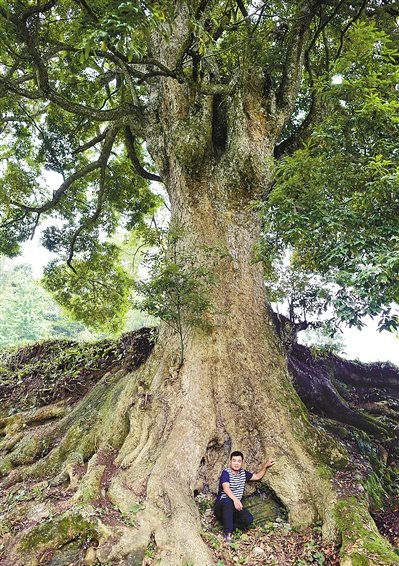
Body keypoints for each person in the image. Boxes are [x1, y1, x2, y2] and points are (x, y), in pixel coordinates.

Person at [214, 450, 276, 543]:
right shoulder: (226, 473)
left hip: (234, 507)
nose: (236, 463)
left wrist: (265, 466)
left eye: (239, 461)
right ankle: (228, 534)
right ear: (230, 462)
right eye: (234, 460)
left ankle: (229, 524)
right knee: (228, 502)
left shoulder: (243, 473)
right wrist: (235, 500)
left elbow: (257, 476)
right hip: (221, 507)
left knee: (248, 519)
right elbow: (226, 488)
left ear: (242, 463)